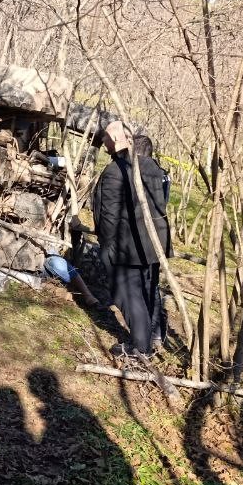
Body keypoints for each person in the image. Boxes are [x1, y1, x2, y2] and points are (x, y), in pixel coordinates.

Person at [92, 122, 171, 356]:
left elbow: (110, 216)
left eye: (106, 137)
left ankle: (140, 348)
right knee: (146, 289)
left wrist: (108, 249)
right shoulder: (154, 168)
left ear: (116, 138)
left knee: (128, 294)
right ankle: (151, 337)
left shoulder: (116, 170)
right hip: (151, 245)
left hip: (126, 247)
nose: (103, 142)